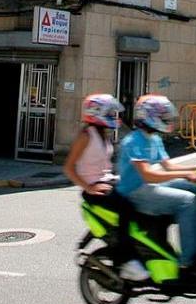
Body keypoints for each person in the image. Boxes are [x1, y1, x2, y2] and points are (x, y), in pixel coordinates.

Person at [116, 94, 196, 283]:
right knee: (187, 201)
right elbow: (148, 175)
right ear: (149, 117)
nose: (166, 120)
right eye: (163, 117)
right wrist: (185, 174)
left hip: (148, 187)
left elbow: (168, 166)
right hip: (135, 193)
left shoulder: (154, 138)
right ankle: (186, 262)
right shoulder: (134, 141)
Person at [64, 93, 149, 281]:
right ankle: (126, 261)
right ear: (96, 112)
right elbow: (69, 167)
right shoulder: (86, 136)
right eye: (109, 112)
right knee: (127, 207)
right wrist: (89, 187)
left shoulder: (104, 134)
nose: (113, 116)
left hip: (108, 181)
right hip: (95, 188)